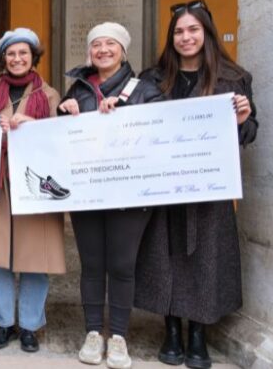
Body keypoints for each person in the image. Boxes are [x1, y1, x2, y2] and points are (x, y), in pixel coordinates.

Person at [134, 0, 257, 369]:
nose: (186, 37)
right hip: (163, 187)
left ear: (206, 33)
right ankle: (171, 330)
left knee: (205, 259)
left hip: (209, 188)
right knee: (165, 257)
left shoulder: (234, 79)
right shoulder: (152, 79)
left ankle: (199, 334)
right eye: (179, 31)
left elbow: (249, 135)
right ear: (171, 38)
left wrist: (242, 119)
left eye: (193, 30)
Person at [57, 22, 164, 369]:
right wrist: (65, 112)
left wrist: (126, 115)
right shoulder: (79, 88)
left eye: (110, 44)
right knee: (92, 264)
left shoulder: (146, 90)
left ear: (123, 50)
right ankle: (92, 333)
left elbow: (159, 133)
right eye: (96, 44)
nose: (102, 50)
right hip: (88, 192)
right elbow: (61, 141)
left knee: (121, 264)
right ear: (89, 51)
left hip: (128, 194)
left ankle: (118, 336)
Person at [0, 28, 65, 352]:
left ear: (33, 57)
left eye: (23, 53)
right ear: (3, 58)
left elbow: (60, 142)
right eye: (11, 53)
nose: (17, 58)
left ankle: (31, 326)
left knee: (35, 259)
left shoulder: (50, 95)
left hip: (35, 186)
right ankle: (4, 323)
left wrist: (33, 128)